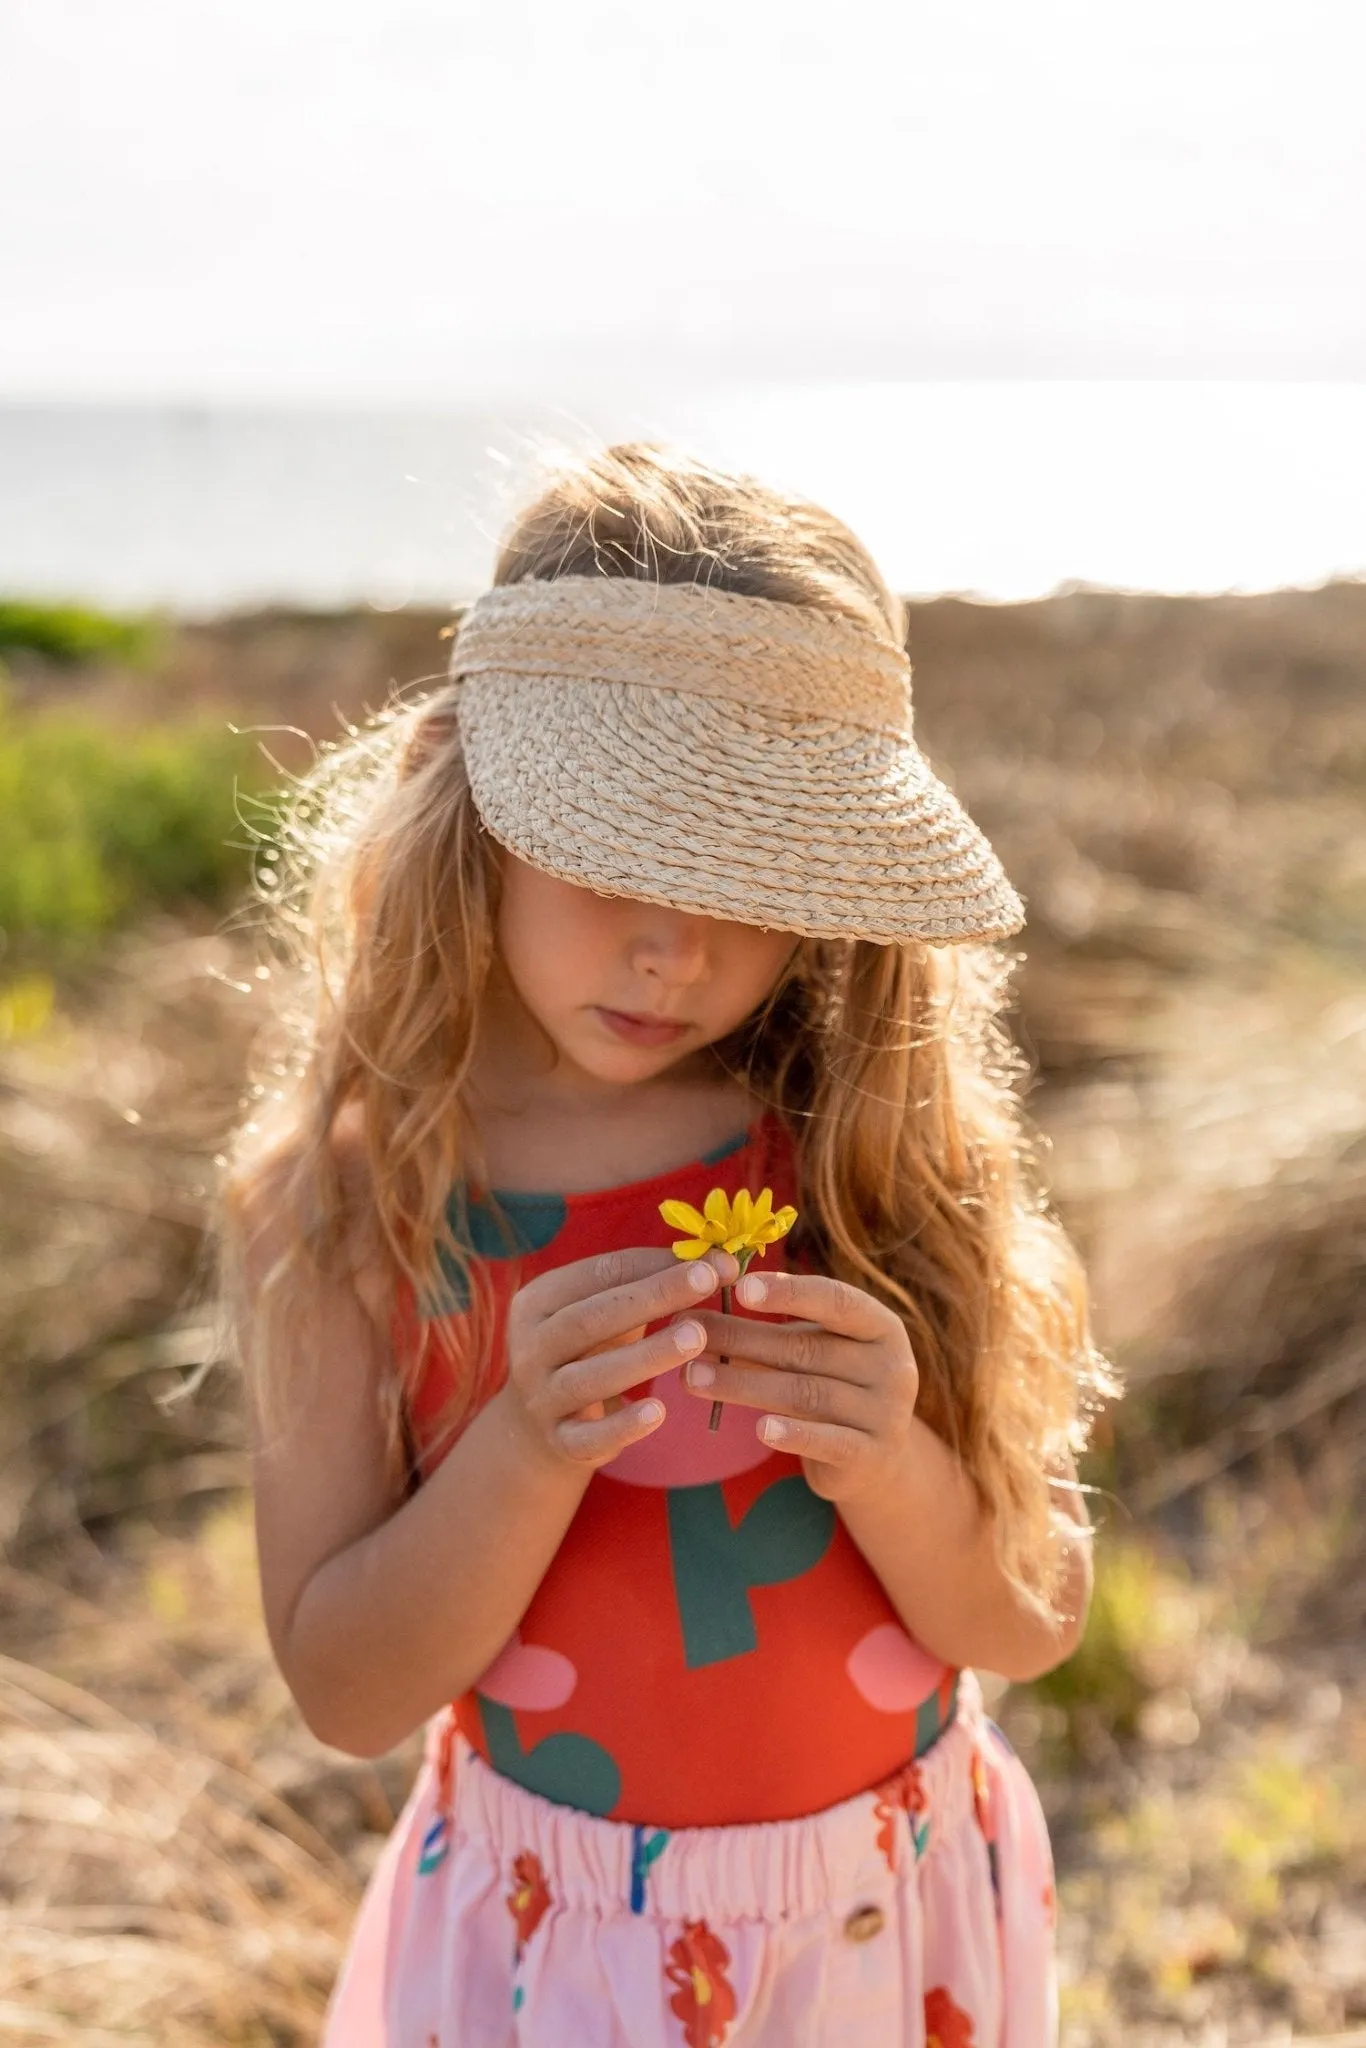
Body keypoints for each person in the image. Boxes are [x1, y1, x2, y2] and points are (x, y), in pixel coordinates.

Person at [218, 442, 1114, 2047]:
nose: (672, 945)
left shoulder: (864, 1154)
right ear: (462, 791)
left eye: (750, 879)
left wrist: (891, 1461)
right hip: (553, 1961)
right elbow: (346, 1696)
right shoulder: (349, 1206)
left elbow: (1028, 1622)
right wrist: (522, 1446)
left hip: (875, 1933)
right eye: (614, 853)